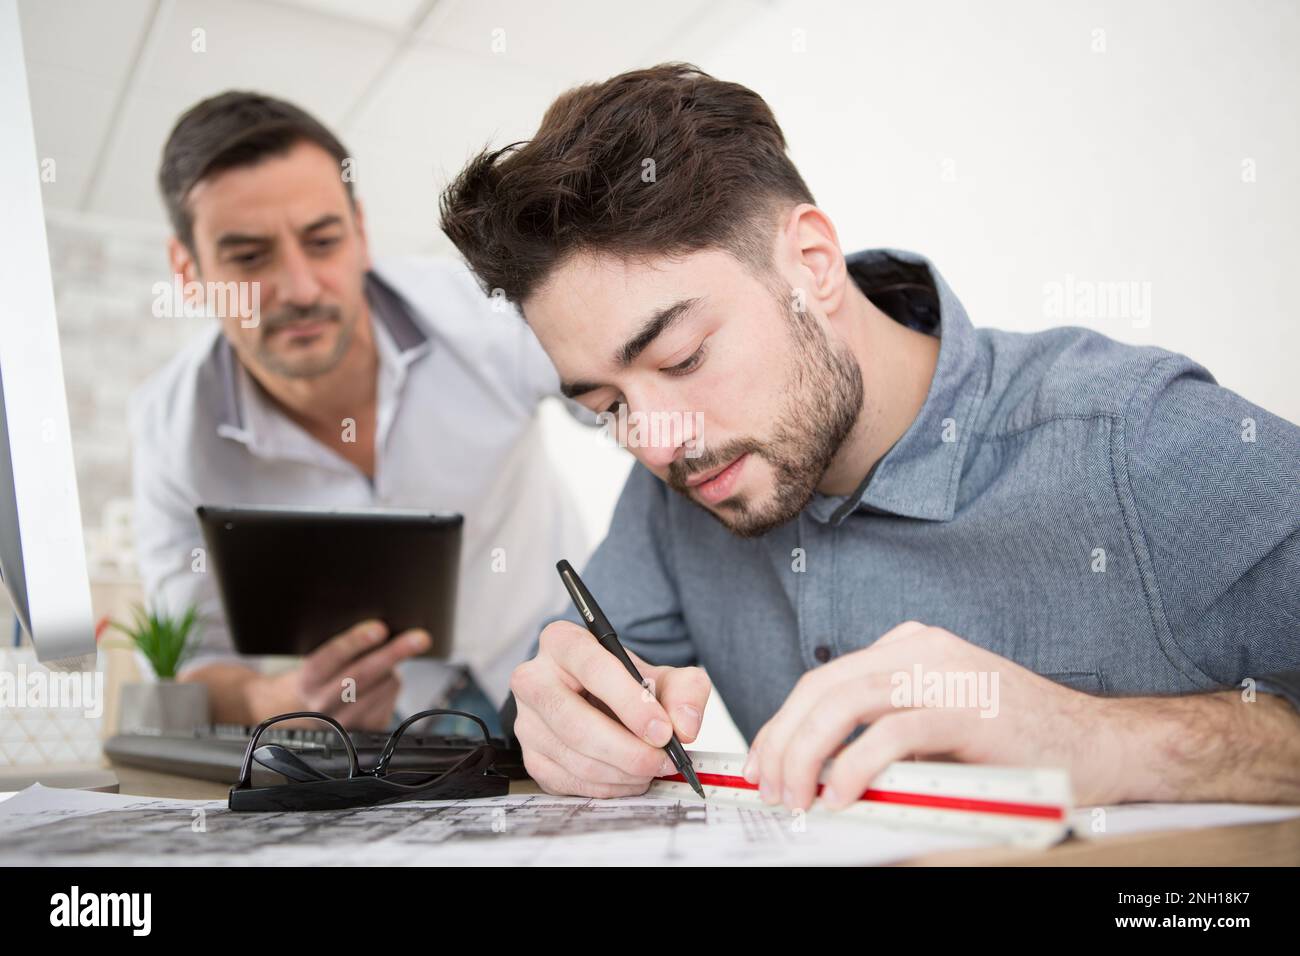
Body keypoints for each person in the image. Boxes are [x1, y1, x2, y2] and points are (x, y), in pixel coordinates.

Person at [439, 63, 1300, 806]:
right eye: (607, 408)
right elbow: (573, 704)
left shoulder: (1133, 438)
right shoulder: (681, 492)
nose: (656, 442)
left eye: (684, 356)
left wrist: (1103, 742)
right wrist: (560, 722)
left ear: (811, 265)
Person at [130, 91, 590, 735]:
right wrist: (279, 701)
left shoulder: (481, 311)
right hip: (379, 741)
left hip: (559, 672)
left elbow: (627, 399)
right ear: (189, 272)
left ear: (360, 234)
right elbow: (195, 666)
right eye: (249, 258)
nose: (298, 288)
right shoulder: (170, 432)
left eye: (321, 241)